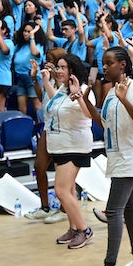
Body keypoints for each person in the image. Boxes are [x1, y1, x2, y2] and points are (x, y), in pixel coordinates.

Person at [78, 46, 133, 266]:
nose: (105, 67)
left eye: (109, 63)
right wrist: (85, 100)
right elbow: (103, 123)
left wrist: (123, 99)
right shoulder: (110, 93)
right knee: (128, 209)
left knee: (114, 210)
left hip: (129, 158)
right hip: (117, 157)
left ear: (123, 65)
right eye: (103, 63)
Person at [36, 53, 95, 248]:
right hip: (60, 145)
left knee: (61, 190)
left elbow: (90, 114)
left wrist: (79, 96)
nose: (58, 71)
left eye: (62, 68)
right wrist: (46, 81)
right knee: (68, 189)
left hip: (75, 146)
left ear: (72, 70)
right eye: (58, 67)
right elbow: (58, 104)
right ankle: (74, 228)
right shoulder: (62, 89)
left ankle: (84, 229)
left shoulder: (84, 89)